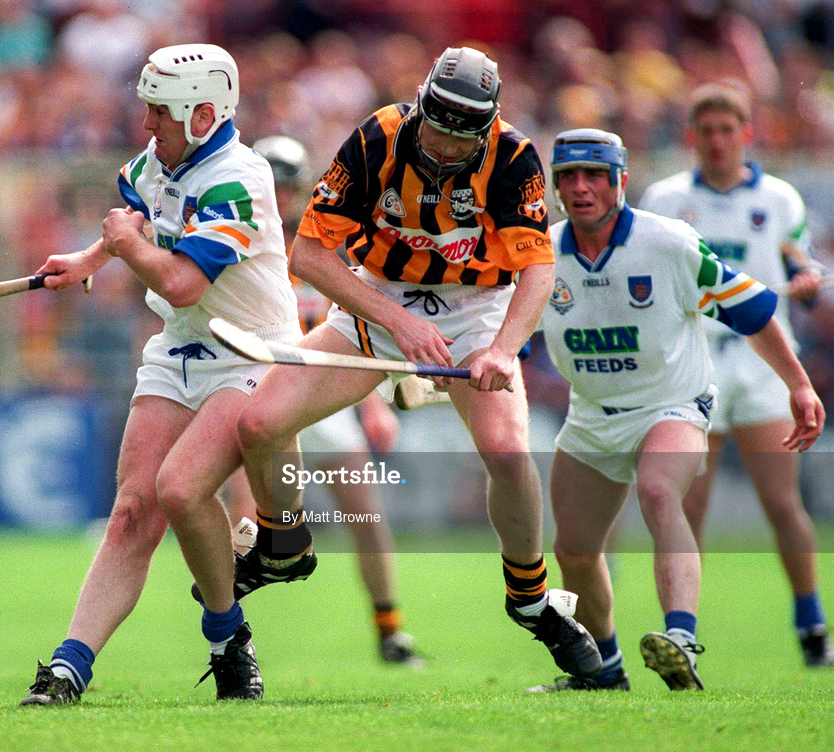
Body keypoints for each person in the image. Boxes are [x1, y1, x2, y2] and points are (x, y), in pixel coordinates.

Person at [233, 46, 603, 684]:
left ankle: (530, 598)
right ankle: (284, 542)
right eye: (439, 130)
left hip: (476, 308)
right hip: (381, 298)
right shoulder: (377, 138)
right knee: (260, 423)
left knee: (507, 450)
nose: (448, 148)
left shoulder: (513, 155)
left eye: (465, 137)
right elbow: (310, 256)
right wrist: (400, 325)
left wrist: (501, 350)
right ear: (422, 107)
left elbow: (538, 271)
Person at [20, 43, 302, 704]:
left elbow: (179, 282)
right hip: (180, 346)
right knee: (131, 512)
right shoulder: (157, 161)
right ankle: (70, 668)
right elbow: (143, 214)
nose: (147, 123)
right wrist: (91, 258)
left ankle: (237, 618)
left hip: (251, 351)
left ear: (204, 115)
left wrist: (123, 245)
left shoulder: (239, 178)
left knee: (180, 489)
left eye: (161, 112)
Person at [531, 128, 825, 692]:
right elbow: (510, 335)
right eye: (568, 176)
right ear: (557, 186)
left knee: (660, 492)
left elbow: (754, 310)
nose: (581, 187)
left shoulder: (668, 243)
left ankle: (682, 640)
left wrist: (798, 384)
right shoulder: (540, 253)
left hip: (671, 404)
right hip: (591, 415)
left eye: (594, 175)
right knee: (574, 550)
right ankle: (606, 671)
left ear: (620, 180)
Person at [640, 83, 833, 667]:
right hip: (696, 358)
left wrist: (807, 279)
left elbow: (799, 258)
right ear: (691, 137)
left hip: (761, 360)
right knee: (690, 503)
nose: (718, 142)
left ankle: (812, 626)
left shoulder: (777, 197)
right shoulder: (666, 198)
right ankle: (684, 634)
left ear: (747, 133)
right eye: (707, 132)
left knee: (781, 501)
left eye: (728, 130)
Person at [224, 134, 423, 665]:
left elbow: (352, 331)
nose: (283, 197)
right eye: (275, 186)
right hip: (259, 395)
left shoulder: (322, 248)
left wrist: (373, 406)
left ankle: (390, 631)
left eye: (290, 186)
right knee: (245, 522)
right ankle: (230, 640)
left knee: (366, 515)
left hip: (322, 399)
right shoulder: (233, 243)